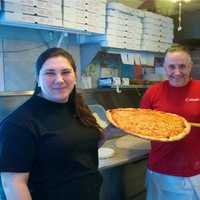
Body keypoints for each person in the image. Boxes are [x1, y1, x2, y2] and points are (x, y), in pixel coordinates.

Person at [0, 47, 105, 200]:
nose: (59, 80)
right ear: (37, 78)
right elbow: (14, 184)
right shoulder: (19, 124)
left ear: (75, 76)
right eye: (50, 73)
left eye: (65, 72)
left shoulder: (78, 107)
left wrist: (112, 130)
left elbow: (82, 147)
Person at [140, 44, 200, 200]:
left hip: (194, 171)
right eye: (171, 67)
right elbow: (141, 126)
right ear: (164, 67)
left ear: (190, 66)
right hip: (160, 170)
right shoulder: (152, 92)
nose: (177, 72)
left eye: (182, 66)